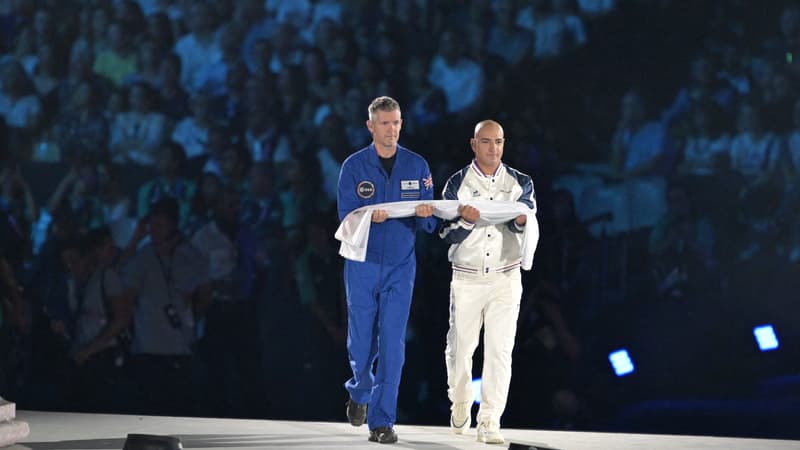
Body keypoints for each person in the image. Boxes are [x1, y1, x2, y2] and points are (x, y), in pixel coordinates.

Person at [337, 96, 436, 444]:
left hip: (400, 264)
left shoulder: (416, 165)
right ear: (370, 126)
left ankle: (382, 421)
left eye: (396, 122)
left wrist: (426, 216)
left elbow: (430, 218)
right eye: (384, 123)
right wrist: (368, 215)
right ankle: (360, 391)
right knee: (362, 343)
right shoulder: (353, 167)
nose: (391, 129)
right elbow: (345, 217)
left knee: (393, 342)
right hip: (362, 263)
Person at [439, 119, 536, 444]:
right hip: (466, 278)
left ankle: (490, 420)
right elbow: (444, 232)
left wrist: (521, 222)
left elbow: (530, 224)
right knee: (461, 348)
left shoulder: (520, 182)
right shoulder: (457, 183)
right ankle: (461, 401)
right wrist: (465, 222)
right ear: (473, 144)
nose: (493, 148)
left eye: (498, 142)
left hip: (505, 277)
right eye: (486, 142)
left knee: (500, 351)